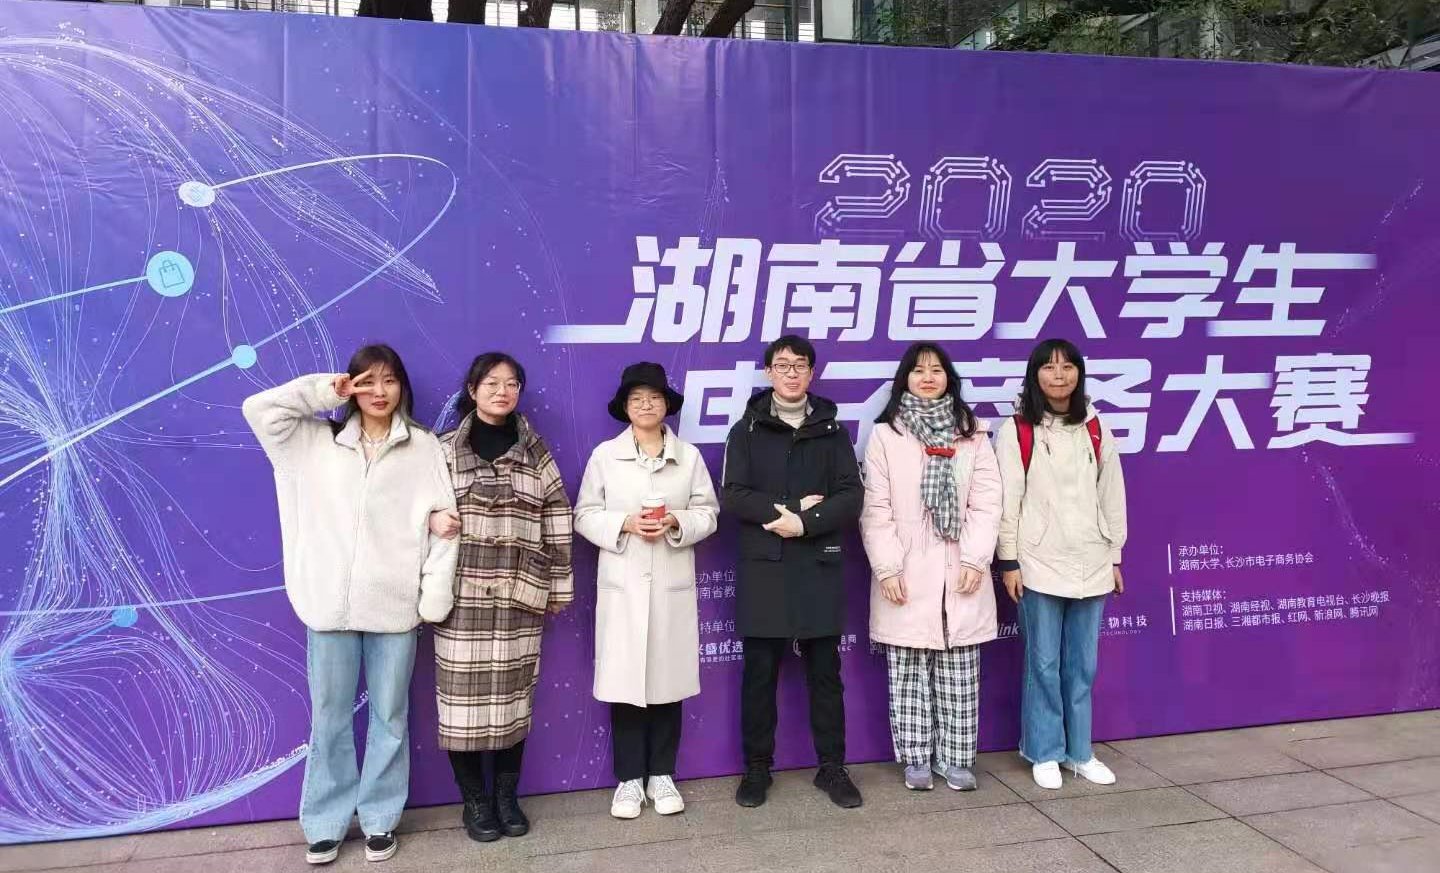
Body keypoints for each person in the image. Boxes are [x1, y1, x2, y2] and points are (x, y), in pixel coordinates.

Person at [241, 344, 458, 867]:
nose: (379, 392)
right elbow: (259, 408)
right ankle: (325, 823)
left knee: (390, 717)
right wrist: (325, 391)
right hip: (329, 606)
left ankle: (380, 818)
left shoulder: (425, 448)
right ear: (352, 386)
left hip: (394, 606)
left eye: (389, 380)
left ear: (403, 386)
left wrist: (432, 593)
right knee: (330, 718)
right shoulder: (312, 442)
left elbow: (447, 524)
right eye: (367, 381)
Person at [427, 353, 574, 842]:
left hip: (520, 595)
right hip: (460, 597)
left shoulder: (536, 452)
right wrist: (429, 520)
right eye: (491, 383)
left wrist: (558, 585)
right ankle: (474, 801)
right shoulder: (442, 450)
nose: (502, 391)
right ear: (472, 390)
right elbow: (411, 509)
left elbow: (558, 515)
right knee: (461, 705)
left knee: (514, 699)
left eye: (512, 384)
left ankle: (507, 798)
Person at [721, 335, 865, 810]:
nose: (791, 373)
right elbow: (734, 494)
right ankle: (757, 768)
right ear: (768, 372)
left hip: (818, 562)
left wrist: (805, 522)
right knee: (759, 674)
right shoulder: (746, 429)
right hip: (765, 565)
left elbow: (851, 494)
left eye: (799, 365)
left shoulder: (832, 430)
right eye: (782, 365)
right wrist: (784, 510)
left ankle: (832, 767)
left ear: (811, 373)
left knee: (826, 674)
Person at [574, 362, 719, 820]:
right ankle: (629, 780)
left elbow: (709, 512)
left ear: (666, 404)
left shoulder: (689, 457)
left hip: (671, 585)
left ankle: (662, 774)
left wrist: (676, 521)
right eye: (636, 399)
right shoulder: (605, 456)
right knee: (626, 685)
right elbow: (583, 515)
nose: (646, 405)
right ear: (625, 407)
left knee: (668, 683)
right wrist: (625, 523)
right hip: (624, 587)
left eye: (654, 397)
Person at [859, 342, 1002, 793]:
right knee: (908, 670)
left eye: (936, 370)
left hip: (961, 569)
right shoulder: (887, 435)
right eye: (918, 370)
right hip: (906, 570)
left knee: (960, 671)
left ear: (948, 379)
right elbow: (875, 508)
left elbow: (987, 502)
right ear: (905, 378)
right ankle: (917, 758)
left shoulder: (972, 434)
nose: (927, 377)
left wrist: (976, 558)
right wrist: (887, 568)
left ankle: (957, 759)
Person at [995, 338, 1128, 791]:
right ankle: (1044, 751)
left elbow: (1112, 495)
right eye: (1049, 367)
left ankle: (1080, 752)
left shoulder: (1095, 426)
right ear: (1034, 374)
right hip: (1038, 562)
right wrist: (1009, 560)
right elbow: (1008, 500)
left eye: (1068, 366)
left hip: (1092, 559)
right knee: (1044, 663)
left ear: (1078, 374)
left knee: (1083, 666)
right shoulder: (1017, 430)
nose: (1059, 375)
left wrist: (1114, 556)